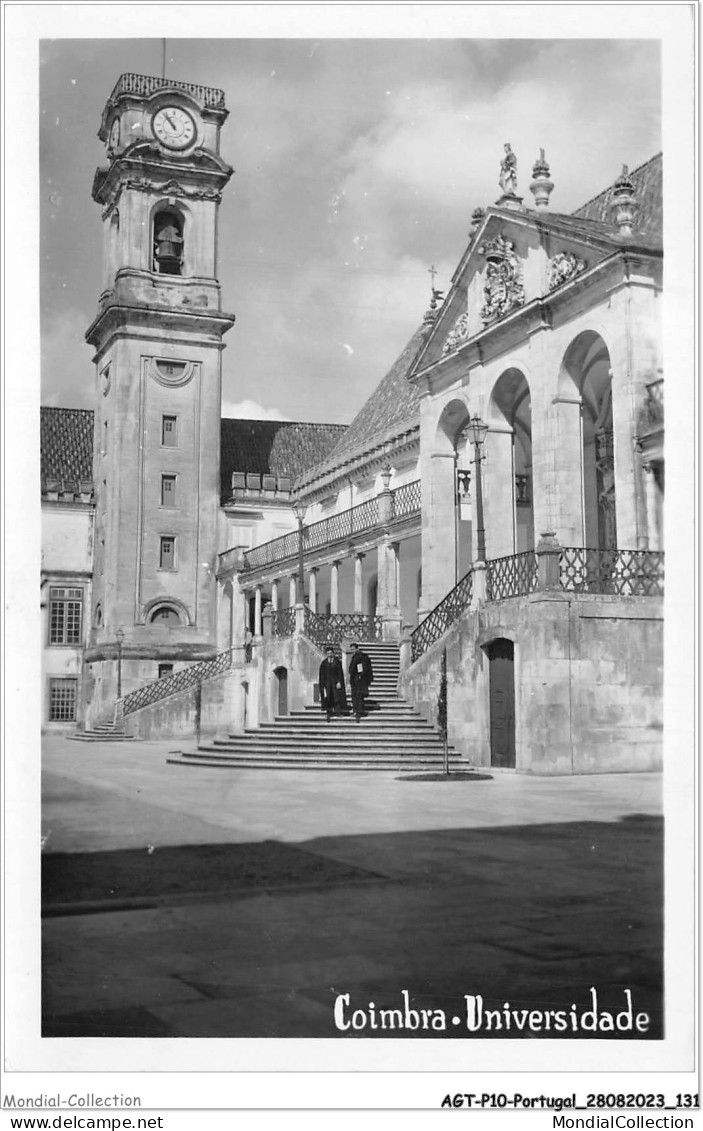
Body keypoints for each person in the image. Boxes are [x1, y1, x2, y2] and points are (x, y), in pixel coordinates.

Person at [318, 647, 347, 721]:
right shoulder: (324, 663)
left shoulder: (337, 662)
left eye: (330, 653)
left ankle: (337, 712)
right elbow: (322, 675)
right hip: (327, 684)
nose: (329, 655)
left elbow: (340, 673)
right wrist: (322, 685)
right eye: (328, 653)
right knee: (328, 698)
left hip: (335, 683)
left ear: (333, 653)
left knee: (336, 697)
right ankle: (329, 713)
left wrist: (339, 682)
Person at [348, 642, 374, 722]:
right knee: (355, 696)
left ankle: (359, 712)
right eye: (351, 649)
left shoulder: (360, 656)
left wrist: (360, 676)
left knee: (358, 696)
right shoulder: (355, 656)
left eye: (353, 649)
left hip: (358, 680)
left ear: (357, 648)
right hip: (355, 680)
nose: (352, 651)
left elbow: (362, 668)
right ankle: (356, 711)